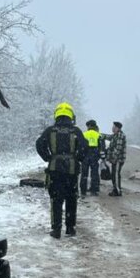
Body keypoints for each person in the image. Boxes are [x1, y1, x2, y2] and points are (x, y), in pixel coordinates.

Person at [35, 102, 86, 238]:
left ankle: (56, 229)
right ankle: (70, 228)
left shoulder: (50, 130)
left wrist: (48, 157)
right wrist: (77, 158)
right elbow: (84, 147)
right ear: (70, 115)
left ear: (56, 114)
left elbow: (39, 144)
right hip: (72, 171)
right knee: (71, 199)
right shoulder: (76, 131)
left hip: (55, 170)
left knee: (56, 200)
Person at [79, 120, 105, 196]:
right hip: (94, 155)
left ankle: (83, 190)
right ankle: (94, 189)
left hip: (85, 155)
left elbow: (80, 146)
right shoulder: (98, 135)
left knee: (84, 173)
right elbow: (102, 147)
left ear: (89, 126)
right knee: (94, 173)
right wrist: (102, 157)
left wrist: (80, 156)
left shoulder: (84, 134)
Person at [106, 121, 127, 196]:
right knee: (114, 174)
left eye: (114, 127)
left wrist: (114, 159)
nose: (112, 128)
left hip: (118, 160)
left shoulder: (120, 136)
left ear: (118, 128)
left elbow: (118, 149)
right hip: (115, 159)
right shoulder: (115, 135)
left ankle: (117, 191)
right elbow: (108, 137)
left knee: (116, 175)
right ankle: (115, 189)